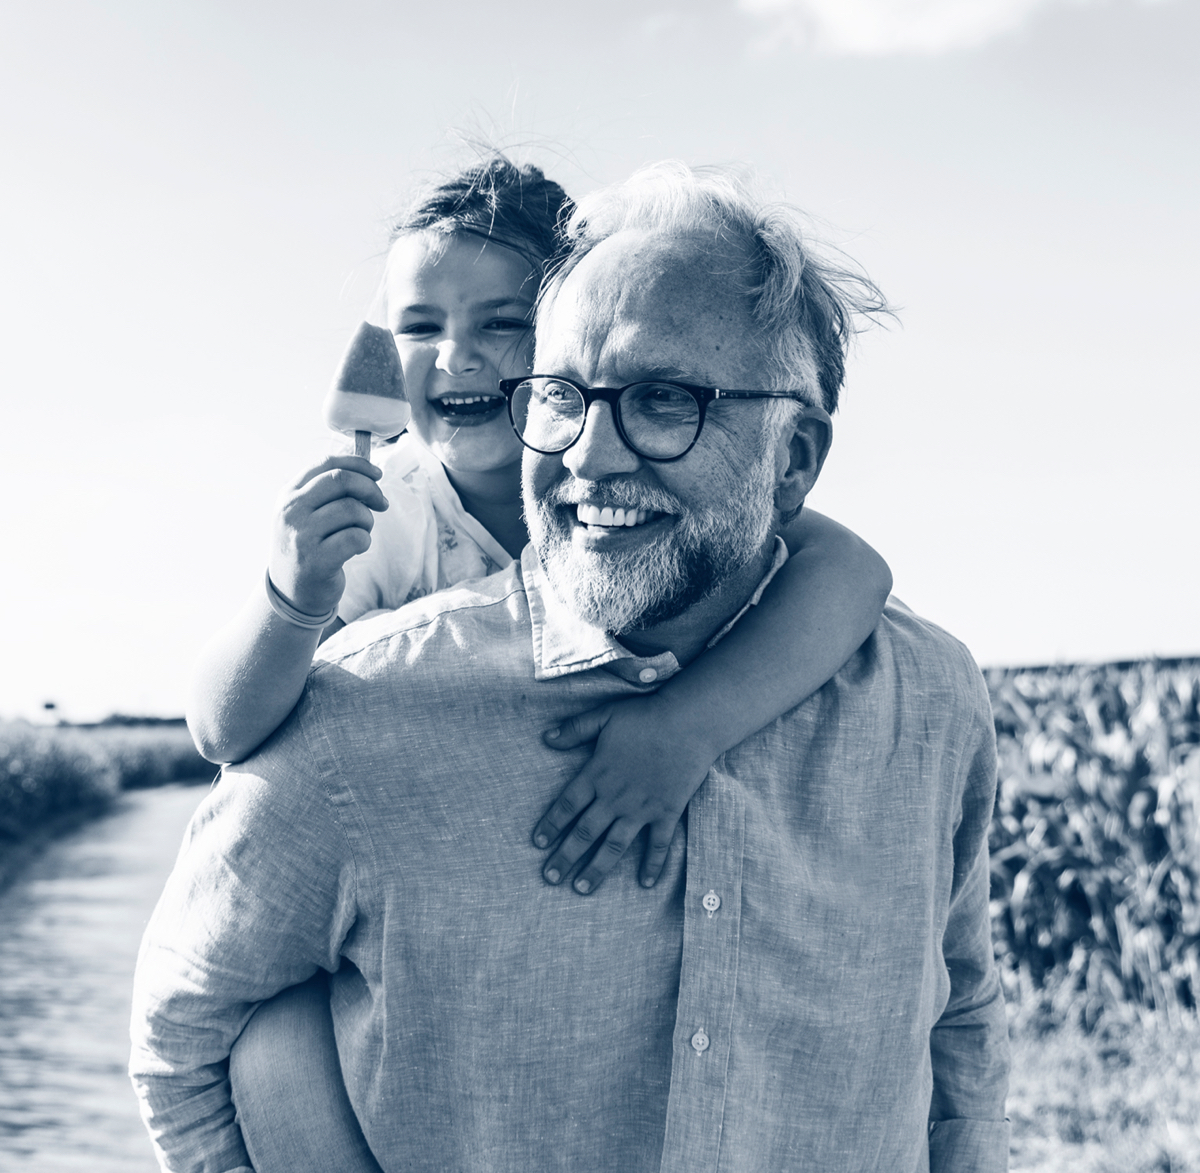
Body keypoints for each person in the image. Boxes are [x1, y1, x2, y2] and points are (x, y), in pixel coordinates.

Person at [131, 163, 1010, 1173]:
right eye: (564, 395)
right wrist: (291, 597)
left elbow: (960, 1018)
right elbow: (187, 1025)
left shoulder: (927, 699)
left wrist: (688, 725)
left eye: (664, 399)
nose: (592, 455)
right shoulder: (365, 674)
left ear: (796, 457)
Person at [185, 156, 892, 896]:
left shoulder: (640, 495)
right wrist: (289, 598)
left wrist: (689, 726)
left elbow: (854, 572)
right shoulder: (383, 513)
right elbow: (221, 731)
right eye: (419, 326)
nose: (456, 356)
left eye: (501, 322)